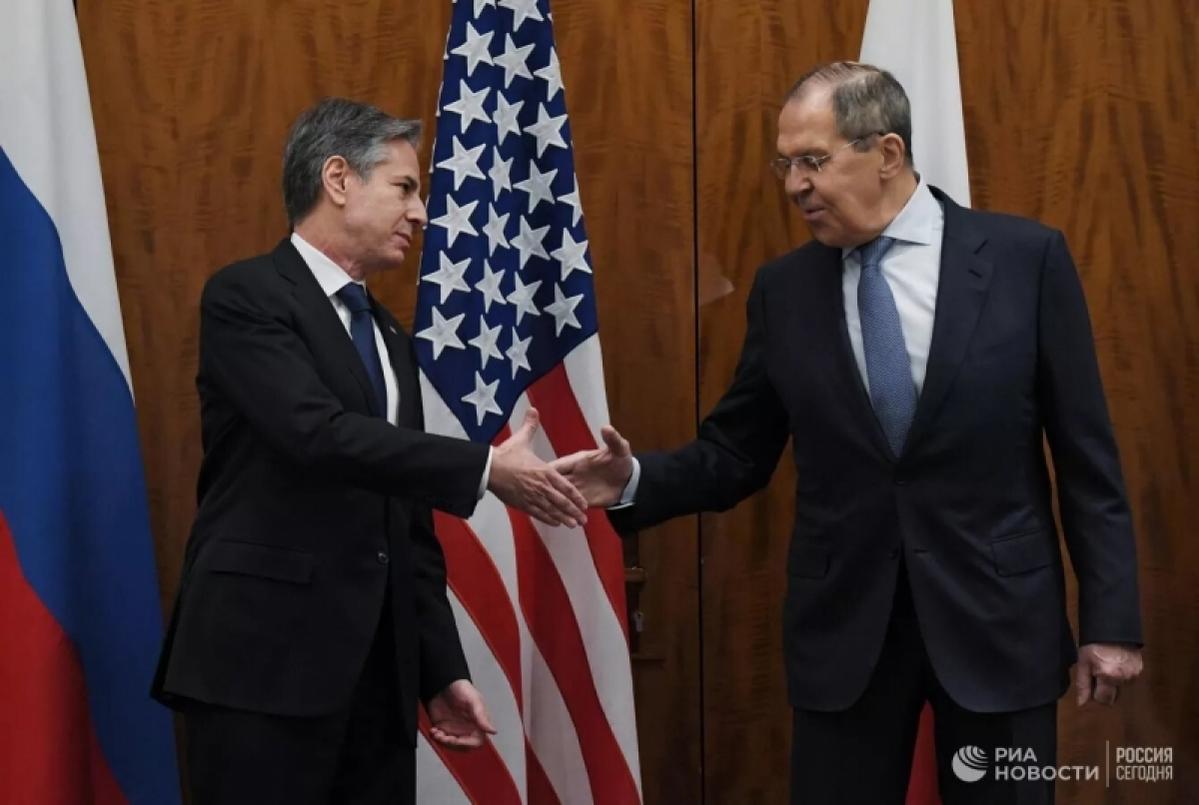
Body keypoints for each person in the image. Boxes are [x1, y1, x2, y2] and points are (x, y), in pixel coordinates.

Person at [556, 62, 1144, 804]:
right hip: (846, 636)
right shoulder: (784, 290)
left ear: (887, 153)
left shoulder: (1025, 261)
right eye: (784, 164)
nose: (794, 185)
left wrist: (1110, 622)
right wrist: (633, 480)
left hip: (998, 626)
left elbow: (1087, 459)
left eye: (812, 160)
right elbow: (736, 452)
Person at [151, 98, 589, 805]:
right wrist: (484, 468)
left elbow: (405, 526)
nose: (421, 213)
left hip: (374, 685)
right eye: (404, 187)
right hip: (261, 671)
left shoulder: (386, 334)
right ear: (338, 179)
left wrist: (439, 670)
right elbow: (314, 433)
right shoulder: (248, 296)